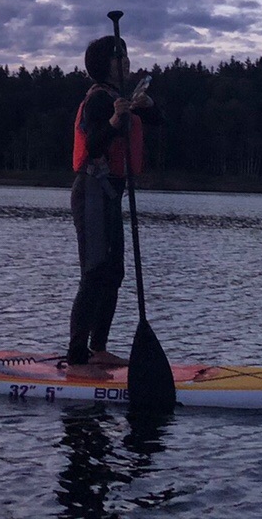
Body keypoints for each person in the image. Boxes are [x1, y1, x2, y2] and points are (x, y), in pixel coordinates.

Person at [65, 31, 161, 368]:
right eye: (120, 58)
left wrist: (147, 108)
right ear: (106, 65)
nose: (127, 62)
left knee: (114, 272)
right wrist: (114, 120)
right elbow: (92, 144)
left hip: (110, 193)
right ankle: (78, 353)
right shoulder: (99, 100)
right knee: (95, 271)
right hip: (91, 191)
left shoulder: (121, 99)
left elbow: (157, 122)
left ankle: (98, 348)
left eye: (126, 57)